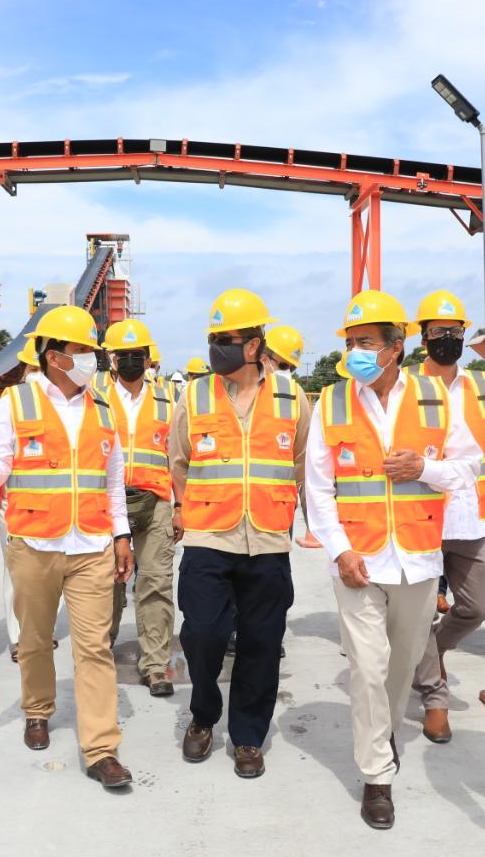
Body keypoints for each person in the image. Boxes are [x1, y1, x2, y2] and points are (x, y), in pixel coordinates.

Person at [0, 305, 137, 791]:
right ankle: (38, 710)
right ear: (54, 356)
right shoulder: (16, 403)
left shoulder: (102, 407)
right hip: (35, 545)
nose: (90, 360)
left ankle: (101, 748)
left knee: (95, 647)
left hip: (91, 545)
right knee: (36, 639)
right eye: (81, 350)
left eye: (92, 352)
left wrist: (121, 535)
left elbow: (112, 482)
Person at [305, 290, 480, 830]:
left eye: (366, 342)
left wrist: (424, 469)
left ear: (395, 346)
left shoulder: (434, 397)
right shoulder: (331, 401)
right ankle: (376, 775)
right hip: (358, 561)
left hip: (418, 558)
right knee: (367, 668)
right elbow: (318, 488)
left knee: (400, 668)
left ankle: (381, 737)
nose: (355, 352)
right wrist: (339, 550)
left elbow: (468, 468)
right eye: (351, 342)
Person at [171, 288, 311, 780]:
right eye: (212, 339)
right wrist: (189, 508)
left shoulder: (292, 396)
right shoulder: (193, 395)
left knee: (261, 642)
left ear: (254, 345)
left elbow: (301, 463)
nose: (216, 348)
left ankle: (248, 735)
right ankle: (204, 714)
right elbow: (179, 461)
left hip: (268, 539)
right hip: (209, 537)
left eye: (225, 339)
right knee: (203, 635)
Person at [406, 291, 485, 745]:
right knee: (421, 610)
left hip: (467, 516)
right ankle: (434, 698)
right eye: (439, 331)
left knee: (479, 605)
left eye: (455, 330)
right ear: (423, 337)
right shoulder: (406, 386)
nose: (448, 338)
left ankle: (432, 651)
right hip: (419, 513)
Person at [101, 319, 177, 696]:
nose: (131, 361)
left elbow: (178, 457)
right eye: (123, 355)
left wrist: (180, 507)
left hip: (156, 500)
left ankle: (156, 665)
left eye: (138, 354)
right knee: (107, 582)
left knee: (156, 582)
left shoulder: (168, 401)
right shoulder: (96, 399)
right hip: (107, 503)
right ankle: (100, 651)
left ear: (148, 360)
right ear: (112, 360)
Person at [0, 339, 62, 662]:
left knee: (52, 575)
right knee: (17, 576)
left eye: (40, 368)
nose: (36, 374)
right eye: (32, 368)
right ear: (24, 370)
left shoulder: (65, 405)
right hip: (16, 507)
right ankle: (19, 638)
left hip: (57, 507)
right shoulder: (12, 403)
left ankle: (43, 632)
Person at [264, 324, 322, 553]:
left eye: (290, 367)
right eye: (282, 365)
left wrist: (313, 522)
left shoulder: (295, 397)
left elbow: (304, 461)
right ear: (262, 356)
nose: (286, 372)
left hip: (278, 511)